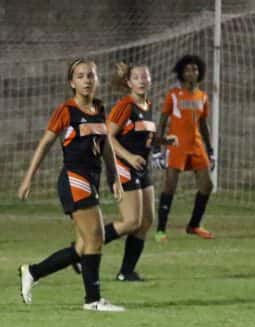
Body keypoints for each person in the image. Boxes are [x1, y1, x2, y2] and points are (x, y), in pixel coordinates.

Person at [17, 59, 125, 312]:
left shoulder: (99, 109)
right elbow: (45, 144)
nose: (87, 80)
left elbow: (106, 147)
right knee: (96, 237)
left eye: (91, 75)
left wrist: (115, 177)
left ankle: (33, 271)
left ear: (97, 80)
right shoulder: (66, 111)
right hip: (74, 179)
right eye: (81, 76)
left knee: (82, 246)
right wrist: (28, 178)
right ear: (72, 82)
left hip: (92, 180)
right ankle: (93, 300)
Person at [103, 62, 178, 281]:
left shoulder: (147, 105)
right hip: (122, 167)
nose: (142, 81)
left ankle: (126, 272)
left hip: (140, 167)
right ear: (129, 82)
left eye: (145, 77)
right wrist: (128, 157)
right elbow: (108, 137)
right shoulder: (125, 105)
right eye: (137, 78)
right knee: (130, 222)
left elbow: (143, 137)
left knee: (146, 221)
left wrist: (163, 140)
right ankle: (83, 246)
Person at [155, 54, 215, 242]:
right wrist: (158, 148)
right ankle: (160, 230)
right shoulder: (173, 95)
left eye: (195, 69)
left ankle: (194, 225)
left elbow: (203, 124)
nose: (192, 72)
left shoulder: (202, 96)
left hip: (196, 145)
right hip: (176, 145)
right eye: (188, 69)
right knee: (170, 186)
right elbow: (163, 121)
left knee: (207, 186)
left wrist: (210, 149)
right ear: (182, 73)